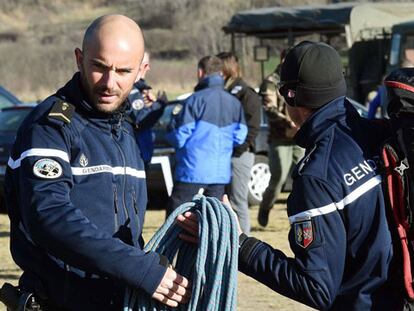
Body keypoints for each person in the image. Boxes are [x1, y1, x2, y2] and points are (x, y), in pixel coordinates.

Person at [179, 41, 401, 310]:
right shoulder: (382, 135)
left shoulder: (316, 176)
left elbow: (316, 288)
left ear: (291, 96)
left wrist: (239, 244)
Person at [5, 15, 190, 310]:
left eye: (123, 71)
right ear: (80, 59)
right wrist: (140, 269)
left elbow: (128, 233)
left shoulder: (126, 130)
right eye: (99, 67)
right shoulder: (50, 126)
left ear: (142, 70)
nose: (109, 82)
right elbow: (49, 214)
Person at [165, 55, 247, 216]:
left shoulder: (194, 100)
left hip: (191, 171)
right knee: (213, 221)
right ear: (221, 74)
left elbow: (179, 136)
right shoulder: (234, 103)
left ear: (200, 72)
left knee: (176, 219)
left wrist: (170, 129)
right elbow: (240, 136)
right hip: (220, 174)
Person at [257, 49, 304, 227]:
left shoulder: (300, 79)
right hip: (280, 138)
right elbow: (269, 109)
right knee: (278, 180)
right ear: (282, 59)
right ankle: (265, 207)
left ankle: (300, 216)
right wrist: (289, 123)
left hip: (299, 136)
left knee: (302, 178)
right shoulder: (271, 82)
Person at [216, 51, 261, 234]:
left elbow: (253, 126)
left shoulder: (245, 92)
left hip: (239, 155)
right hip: (225, 154)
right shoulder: (223, 91)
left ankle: (244, 249)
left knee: (237, 201)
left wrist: (238, 150)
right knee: (224, 202)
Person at [128, 51, 168, 165]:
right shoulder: (131, 90)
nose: (149, 68)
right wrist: (160, 105)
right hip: (136, 153)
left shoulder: (140, 89)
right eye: (146, 65)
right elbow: (142, 120)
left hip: (140, 150)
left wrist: (151, 106)